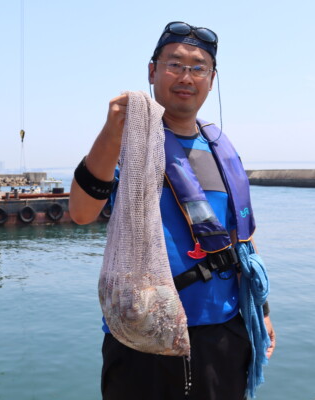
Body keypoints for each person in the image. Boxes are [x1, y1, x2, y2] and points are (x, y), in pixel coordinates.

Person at [69, 21, 275, 400]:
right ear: (152, 71)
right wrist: (112, 132)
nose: (186, 76)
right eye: (174, 64)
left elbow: (242, 237)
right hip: (141, 335)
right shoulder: (129, 144)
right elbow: (81, 211)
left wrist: (260, 310)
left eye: (198, 67)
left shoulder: (219, 148)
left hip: (223, 330)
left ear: (212, 79)